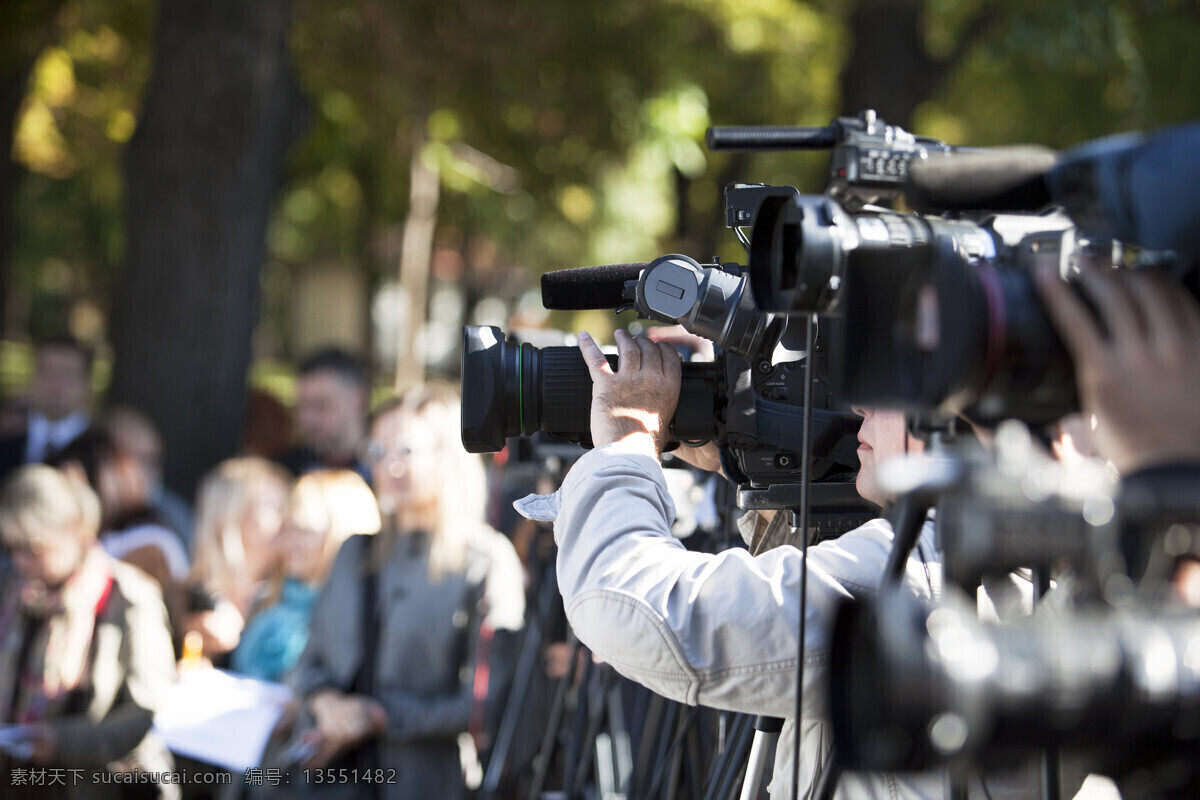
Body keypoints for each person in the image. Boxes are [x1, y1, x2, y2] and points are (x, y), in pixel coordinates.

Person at [532, 267, 1200, 798]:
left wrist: (626, 442)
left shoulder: (923, 573)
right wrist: (735, 452)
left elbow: (642, 610)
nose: (855, 407)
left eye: (888, 386)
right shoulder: (1068, 556)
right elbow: (793, 622)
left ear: (962, 414)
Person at [279, 383, 525, 800]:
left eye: (406, 450)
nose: (389, 464)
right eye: (377, 451)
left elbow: (490, 702)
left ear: (448, 456)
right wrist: (325, 703)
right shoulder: (354, 551)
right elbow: (310, 661)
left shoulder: (485, 560)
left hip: (427, 783)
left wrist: (382, 717)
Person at [0, 464, 179, 800]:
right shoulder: (10, 590)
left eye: (33, 547)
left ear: (74, 530)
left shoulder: (127, 596)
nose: (20, 561)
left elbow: (149, 710)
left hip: (92, 784)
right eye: (10, 548)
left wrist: (62, 741)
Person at [231, 469, 380, 682]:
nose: (291, 541)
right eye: (288, 528)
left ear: (342, 535)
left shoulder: (358, 617)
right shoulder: (269, 598)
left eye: (305, 530)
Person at [183, 457, 292, 666]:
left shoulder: (291, 595)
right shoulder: (187, 599)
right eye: (272, 507)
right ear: (229, 515)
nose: (285, 520)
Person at [0, 337, 94, 481]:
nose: (56, 383)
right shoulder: (7, 435)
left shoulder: (102, 450)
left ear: (86, 385)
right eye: (47, 371)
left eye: (67, 374)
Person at [275, 348, 371, 484]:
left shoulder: (384, 473)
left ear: (358, 400)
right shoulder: (287, 471)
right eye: (301, 406)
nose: (308, 419)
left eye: (321, 405)